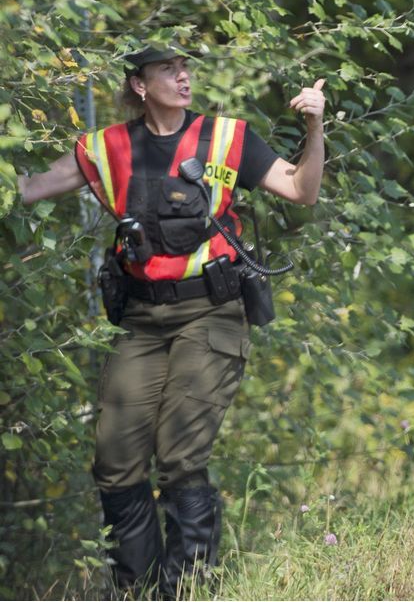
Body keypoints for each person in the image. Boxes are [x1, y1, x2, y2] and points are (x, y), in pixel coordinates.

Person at [18, 43, 326, 595]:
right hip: (140, 317)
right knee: (115, 462)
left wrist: (315, 129)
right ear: (140, 86)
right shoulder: (108, 146)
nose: (183, 77)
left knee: (181, 455)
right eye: (169, 70)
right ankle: (137, 590)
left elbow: (303, 191)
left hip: (211, 310)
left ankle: (186, 590)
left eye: (186, 68)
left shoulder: (228, 138)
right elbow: (27, 189)